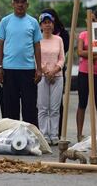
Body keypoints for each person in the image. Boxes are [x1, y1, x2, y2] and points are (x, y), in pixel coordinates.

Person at [0, 0, 42, 127]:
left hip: (28, 70)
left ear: (27, 5)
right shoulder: (5, 21)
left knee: (30, 107)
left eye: (23, 2)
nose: (20, 4)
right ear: (13, 4)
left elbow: (37, 46)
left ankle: (32, 137)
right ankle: (11, 137)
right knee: (11, 107)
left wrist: (39, 69)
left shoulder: (33, 22)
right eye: (17, 2)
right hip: (9, 69)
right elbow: (0, 44)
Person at [76, 10, 97, 141]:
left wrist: (88, 53)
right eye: (89, 19)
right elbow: (79, 52)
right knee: (82, 103)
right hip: (84, 72)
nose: (91, 22)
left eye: (94, 20)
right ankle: (79, 134)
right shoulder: (83, 35)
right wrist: (95, 53)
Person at [40, 8, 69, 138]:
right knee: (43, 108)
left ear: (53, 24)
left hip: (57, 76)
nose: (47, 25)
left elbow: (62, 58)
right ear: (40, 25)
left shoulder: (59, 39)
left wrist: (55, 70)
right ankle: (44, 134)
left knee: (55, 108)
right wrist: (46, 71)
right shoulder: (36, 39)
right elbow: (35, 58)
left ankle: (54, 134)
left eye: (49, 22)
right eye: (44, 22)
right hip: (42, 76)